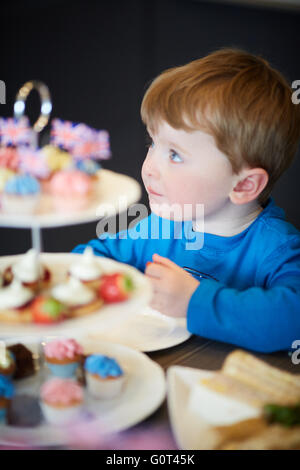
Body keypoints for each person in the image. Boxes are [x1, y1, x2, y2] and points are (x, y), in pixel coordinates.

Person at [72, 48, 300, 353]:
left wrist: (196, 301)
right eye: (153, 143)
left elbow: (291, 320)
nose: (150, 168)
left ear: (244, 184)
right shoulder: (159, 227)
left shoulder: (276, 249)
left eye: (175, 154)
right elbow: (91, 258)